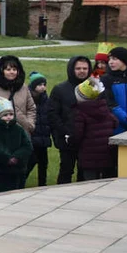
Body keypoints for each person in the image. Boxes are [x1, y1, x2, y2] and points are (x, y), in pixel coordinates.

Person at [47, 56, 92, 185]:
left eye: (85, 68)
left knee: (85, 171)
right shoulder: (60, 89)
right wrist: (65, 132)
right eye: (78, 68)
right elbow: (53, 114)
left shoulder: (94, 88)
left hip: (87, 138)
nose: (82, 71)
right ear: (72, 69)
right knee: (66, 169)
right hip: (67, 138)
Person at [71, 78, 119, 181]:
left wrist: (69, 140)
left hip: (88, 156)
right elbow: (115, 123)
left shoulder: (80, 113)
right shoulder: (104, 108)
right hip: (106, 154)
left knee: (90, 183)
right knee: (106, 182)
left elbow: (77, 134)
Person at [0, 98, 33, 193]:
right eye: (5, 115)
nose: (8, 117)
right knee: (3, 190)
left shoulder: (18, 129)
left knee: (18, 190)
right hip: (1, 167)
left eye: (11, 114)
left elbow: (27, 146)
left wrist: (16, 157)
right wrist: (6, 157)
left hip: (18, 167)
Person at [0, 55, 36, 137]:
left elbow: (31, 108)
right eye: (8, 69)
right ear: (2, 71)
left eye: (14, 69)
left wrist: (29, 124)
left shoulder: (24, 88)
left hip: (23, 133)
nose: (12, 72)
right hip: (1, 135)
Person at [27, 72, 51, 188]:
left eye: (44, 84)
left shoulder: (46, 99)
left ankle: (43, 184)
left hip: (43, 137)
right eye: (40, 84)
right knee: (30, 162)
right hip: (32, 136)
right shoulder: (28, 98)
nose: (43, 87)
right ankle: (21, 180)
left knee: (43, 163)